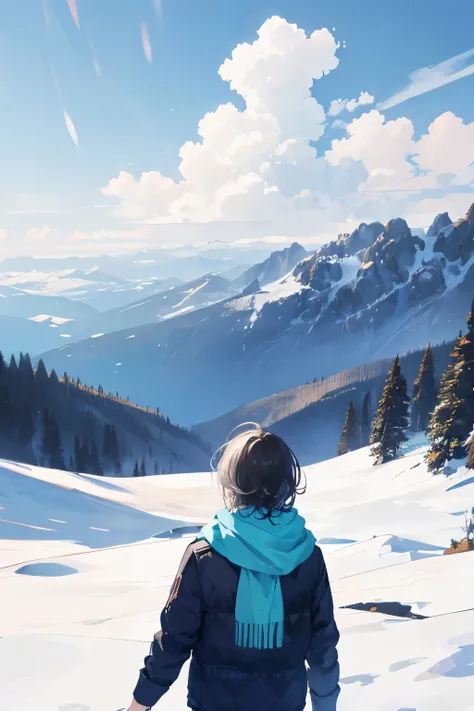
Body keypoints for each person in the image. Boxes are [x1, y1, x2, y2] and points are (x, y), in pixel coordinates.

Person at [125, 424, 340, 711]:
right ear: (286, 482)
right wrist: (326, 706)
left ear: (234, 482)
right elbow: (322, 647)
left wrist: (139, 706)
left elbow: (174, 640)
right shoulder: (308, 555)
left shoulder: (204, 554)